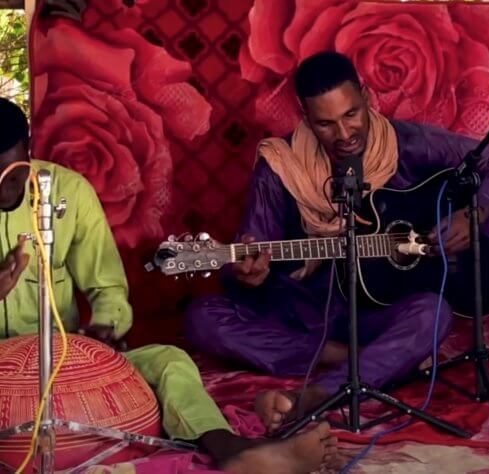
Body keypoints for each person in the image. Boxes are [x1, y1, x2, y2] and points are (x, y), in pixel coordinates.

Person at [184, 51, 489, 433]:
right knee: (202, 319)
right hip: (305, 312)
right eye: (326, 124)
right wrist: (247, 271)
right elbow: (251, 254)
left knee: (434, 314)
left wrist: (472, 215)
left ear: (365, 96)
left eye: (351, 115)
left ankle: (317, 394)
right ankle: (358, 360)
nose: (344, 135)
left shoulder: (409, 144)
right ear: (305, 116)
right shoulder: (281, 166)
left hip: (377, 314)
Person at [0, 98, 337, 474]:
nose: (4, 192)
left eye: (13, 177)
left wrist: (105, 328)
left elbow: (108, 288)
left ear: (29, 153)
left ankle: (233, 451)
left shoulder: (68, 192)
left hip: (66, 362)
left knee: (170, 361)